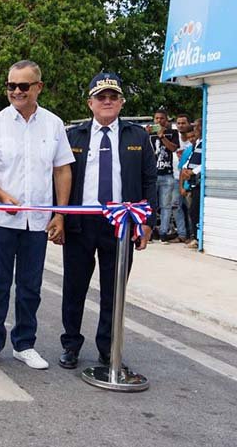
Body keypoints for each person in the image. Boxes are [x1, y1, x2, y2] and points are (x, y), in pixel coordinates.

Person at [0, 60, 73, 370]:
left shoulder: (54, 124)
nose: (16, 91)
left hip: (38, 221)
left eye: (23, 85)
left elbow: (62, 170)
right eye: (11, 85)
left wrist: (60, 214)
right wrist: (1, 196)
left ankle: (24, 344)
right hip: (1, 221)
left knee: (30, 286)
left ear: (38, 87)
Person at [59, 72, 157, 368]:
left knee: (114, 291)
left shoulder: (137, 136)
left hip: (121, 225)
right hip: (81, 222)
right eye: (101, 97)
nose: (107, 101)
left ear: (121, 102)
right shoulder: (73, 136)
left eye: (113, 97)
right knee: (74, 287)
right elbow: (60, 178)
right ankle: (71, 345)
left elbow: (149, 180)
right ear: (90, 103)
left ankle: (108, 349)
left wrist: (148, 222)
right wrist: (58, 217)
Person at [148, 108, 187, 243]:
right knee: (150, 205)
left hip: (167, 175)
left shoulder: (172, 133)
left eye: (162, 118)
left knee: (166, 206)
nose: (159, 121)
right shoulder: (149, 133)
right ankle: (150, 232)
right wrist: (146, 134)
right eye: (157, 118)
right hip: (152, 175)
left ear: (166, 120)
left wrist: (162, 136)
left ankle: (163, 233)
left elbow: (173, 148)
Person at [180, 118, 203, 250]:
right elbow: (189, 159)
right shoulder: (196, 144)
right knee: (193, 211)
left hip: (199, 181)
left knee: (195, 211)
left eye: (196, 127)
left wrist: (193, 172)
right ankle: (195, 237)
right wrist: (185, 168)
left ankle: (197, 238)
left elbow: (205, 161)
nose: (194, 129)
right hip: (192, 182)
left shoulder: (206, 143)